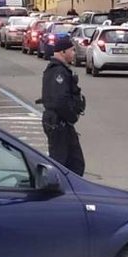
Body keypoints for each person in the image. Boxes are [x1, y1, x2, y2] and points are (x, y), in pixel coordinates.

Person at [40, 35, 86, 175]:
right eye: (71, 50)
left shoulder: (61, 70)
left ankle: (73, 191)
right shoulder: (57, 72)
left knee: (75, 162)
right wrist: (71, 114)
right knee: (60, 164)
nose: (74, 53)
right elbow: (59, 100)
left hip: (63, 123)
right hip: (58, 123)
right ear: (62, 52)